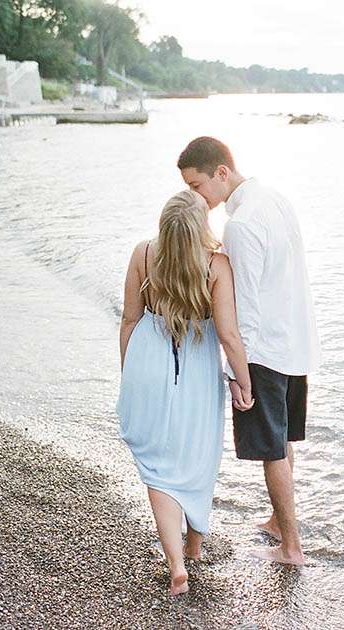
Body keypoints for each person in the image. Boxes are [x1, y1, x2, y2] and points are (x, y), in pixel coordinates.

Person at [178, 136, 320, 566]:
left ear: (222, 172)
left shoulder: (239, 226)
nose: (196, 197)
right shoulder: (275, 199)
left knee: (271, 449)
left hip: (263, 351)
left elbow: (244, 309)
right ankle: (279, 523)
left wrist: (239, 373)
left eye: (198, 185)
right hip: (296, 342)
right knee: (283, 438)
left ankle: (291, 546)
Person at [117, 190, 254, 595]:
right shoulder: (216, 265)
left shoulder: (143, 254)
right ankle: (193, 548)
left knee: (159, 467)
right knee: (198, 456)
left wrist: (131, 375)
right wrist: (244, 382)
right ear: (201, 228)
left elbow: (129, 318)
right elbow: (228, 336)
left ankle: (178, 563)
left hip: (147, 364)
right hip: (194, 371)